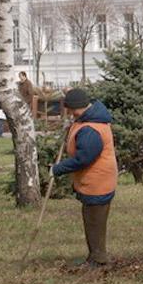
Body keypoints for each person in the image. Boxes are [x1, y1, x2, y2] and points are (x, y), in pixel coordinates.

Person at [52, 88, 118, 267]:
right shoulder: (88, 120)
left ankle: (99, 260)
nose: (71, 114)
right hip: (94, 181)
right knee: (92, 221)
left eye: (73, 110)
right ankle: (95, 256)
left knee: (95, 223)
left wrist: (58, 169)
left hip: (98, 182)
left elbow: (84, 158)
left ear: (80, 107)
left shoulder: (91, 129)